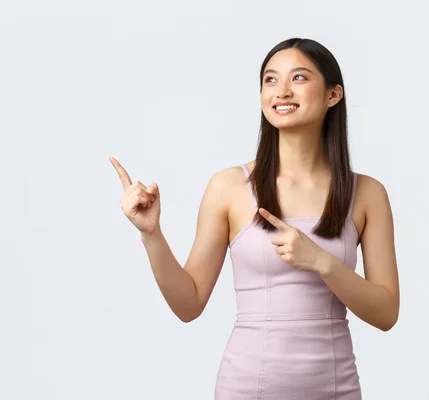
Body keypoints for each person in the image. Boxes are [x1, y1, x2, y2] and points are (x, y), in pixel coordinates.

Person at [109, 37, 399, 400]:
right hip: (249, 389)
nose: (282, 91)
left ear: (333, 95)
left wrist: (323, 263)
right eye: (271, 80)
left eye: (299, 78)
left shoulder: (367, 194)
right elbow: (189, 304)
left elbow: (387, 313)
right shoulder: (229, 187)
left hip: (337, 389)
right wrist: (152, 235)